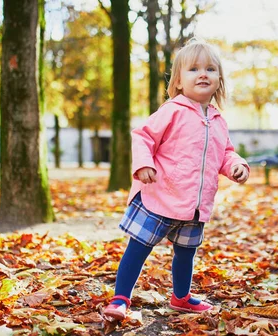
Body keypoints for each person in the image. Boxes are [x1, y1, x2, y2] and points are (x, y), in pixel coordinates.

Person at [103, 38, 250, 321]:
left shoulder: (218, 120)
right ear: (179, 81)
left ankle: (181, 297)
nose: (203, 74)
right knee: (139, 246)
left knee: (186, 252)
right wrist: (144, 164)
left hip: (195, 204)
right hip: (161, 195)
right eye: (194, 69)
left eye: (210, 69)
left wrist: (236, 166)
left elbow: (225, 152)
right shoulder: (172, 110)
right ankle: (120, 299)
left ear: (219, 80)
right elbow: (143, 136)